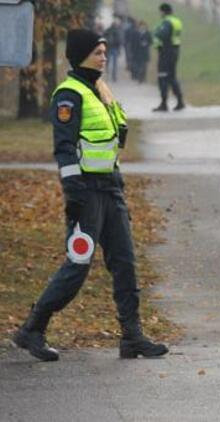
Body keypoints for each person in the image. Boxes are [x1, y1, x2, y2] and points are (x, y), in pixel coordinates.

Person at [12, 29, 169, 362]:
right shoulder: (69, 95)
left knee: (125, 262)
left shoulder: (100, 89)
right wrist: (74, 193)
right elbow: (65, 149)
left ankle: (132, 336)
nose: (104, 57)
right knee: (78, 264)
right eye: (98, 52)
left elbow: (110, 144)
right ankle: (32, 328)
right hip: (85, 192)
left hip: (110, 189)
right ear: (81, 55)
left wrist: (118, 185)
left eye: (105, 51)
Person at [153, 3, 185, 111]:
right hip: (175, 50)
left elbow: (162, 34)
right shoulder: (176, 21)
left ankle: (164, 103)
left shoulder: (166, 22)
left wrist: (156, 32)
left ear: (163, 11)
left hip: (166, 51)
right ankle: (180, 100)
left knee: (163, 77)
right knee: (172, 77)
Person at [104, 17, 123, 82]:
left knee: (109, 62)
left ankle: (109, 75)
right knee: (114, 63)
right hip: (113, 48)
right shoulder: (117, 31)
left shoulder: (108, 30)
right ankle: (113, 76)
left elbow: (103, 38)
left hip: (110, 48)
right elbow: (120, 41)